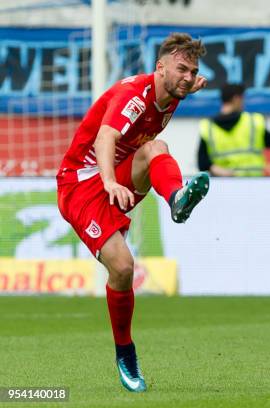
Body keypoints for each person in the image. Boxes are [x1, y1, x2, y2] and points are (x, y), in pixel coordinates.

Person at [56, 33, 209, 393]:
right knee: (123, 269)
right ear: (160, 67)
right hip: (81, 185)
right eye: (181, 69)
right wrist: (108, 181)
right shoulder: (134, 96)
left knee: (156, 147)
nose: (187, 77)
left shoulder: (171, 95)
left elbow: (175, 92)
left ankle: (176, 199)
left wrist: (190, 86)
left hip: (120, 174)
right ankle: (125, 353)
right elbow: (105, 137)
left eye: (194, 72)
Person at [197, 83, 270, 176]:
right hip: (254, 184)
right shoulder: (253, 122)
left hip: (224, 185)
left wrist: (224, 172)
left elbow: (202, 163)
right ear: (236, 99)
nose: (243, 103)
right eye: (242, 99)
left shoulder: (208, 127)